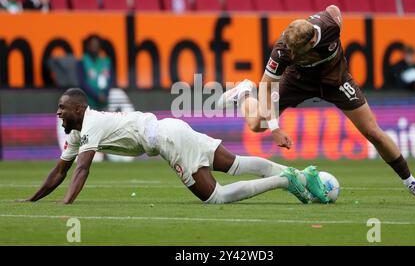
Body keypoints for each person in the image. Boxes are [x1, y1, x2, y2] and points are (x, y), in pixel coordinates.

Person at [218, 5, 415, 206]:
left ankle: (411, 183)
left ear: (312, 41)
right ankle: (244, 93)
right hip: (298, 82)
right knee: (257, 125)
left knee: (373, 132)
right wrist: (275, 129)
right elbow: (266, 88)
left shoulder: (330, 25)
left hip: (336, 81)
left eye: (296, 51)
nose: (290, 55)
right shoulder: (283, 48)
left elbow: (334, 9)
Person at [17, 88, 329, 205]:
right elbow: (60, 171)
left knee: (216, 198)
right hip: (170, 129)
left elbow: (83, 168)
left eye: (62, 107)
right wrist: (32, 200)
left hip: (167, 139)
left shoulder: (93, 122)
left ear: (78, 108)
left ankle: (284, 181)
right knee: (236, 164)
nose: (57, 112)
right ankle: (301, 176)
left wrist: (66, 204)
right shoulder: (76, 133)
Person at [77, 35, 112, 111]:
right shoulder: (82, 61)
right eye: (92, 45)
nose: (95, 47)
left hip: (103, 103)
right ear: (88, 46)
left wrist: (105, 94)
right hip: (88, 103)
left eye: (97, 45)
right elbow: (82, 82)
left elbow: (111, 81)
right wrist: (96, 96)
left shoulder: (105, 61)